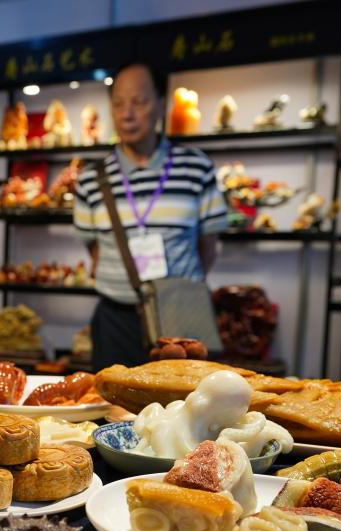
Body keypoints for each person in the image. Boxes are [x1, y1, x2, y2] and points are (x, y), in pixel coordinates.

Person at [73, 60, 227, 371]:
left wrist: (175, 287)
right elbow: (96, 252)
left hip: (181, 316)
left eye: (138, 102)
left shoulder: (196, 167)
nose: (127, 114)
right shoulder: (90, 178)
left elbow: (208, 246)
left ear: (160, 104)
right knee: (111, 399)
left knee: (183, 400)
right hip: (115, 320)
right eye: (118, 104)